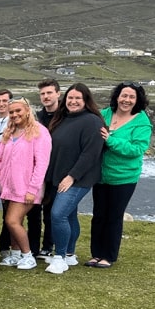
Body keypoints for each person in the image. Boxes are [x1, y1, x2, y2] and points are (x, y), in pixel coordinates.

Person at [88, 82, 152, 268]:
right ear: (117, 96)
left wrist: (111, 140)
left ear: (137, 100)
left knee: (114, 216)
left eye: (132, 97)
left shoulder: (141, 122)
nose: (127, 100)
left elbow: (137, 149)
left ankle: (108, 256)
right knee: (98, 215)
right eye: (124, 95)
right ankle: (96, 254)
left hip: (124, 177)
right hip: (101, 175)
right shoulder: (105, 114)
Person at [44, 83, 105, 274]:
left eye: (78, 98)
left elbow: (90, 154)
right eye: (70, 97)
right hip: (59, 175)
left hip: (78, 178)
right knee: (69, 215)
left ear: (86, 100)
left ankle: (60, 257)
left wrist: (71, 177)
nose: (73, 101)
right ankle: (70, 254)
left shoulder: (92, 121)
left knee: (58, 215)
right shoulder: (62, 119)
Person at [0, 97, 51, 270]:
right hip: (7, 186)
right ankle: (16, 254)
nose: (15, 115)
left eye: (18, 111)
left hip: (27, 187)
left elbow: (42, 163)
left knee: (12, 220)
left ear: (27, 111)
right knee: (13, 220)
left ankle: (28, 255)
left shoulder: (39, 132)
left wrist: (33, 188)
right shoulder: (9, 132)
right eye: (11, 112)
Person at [27, 78, 61, 259]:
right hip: (36, 172)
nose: (46, 96)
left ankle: (48, 246)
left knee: (52, 212)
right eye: (42, 94)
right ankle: (32, 248)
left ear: (58, 94)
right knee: (33, 211)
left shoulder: (65, 117)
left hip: (57, 171)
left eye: (49, 93)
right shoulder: (37, 118)